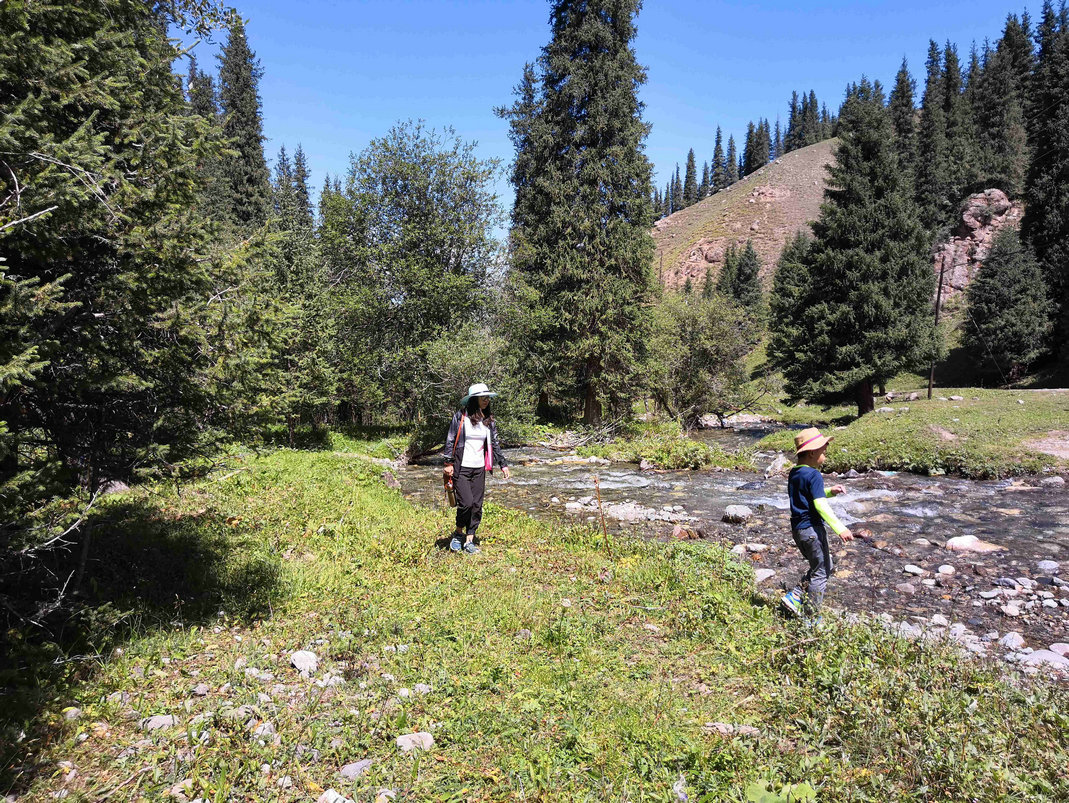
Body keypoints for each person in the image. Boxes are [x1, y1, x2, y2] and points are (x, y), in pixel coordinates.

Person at [780, 427, 853, 620]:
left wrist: (830, 491)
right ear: (813, 452)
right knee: (822, 571)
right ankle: (811, 618)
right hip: (812, 530)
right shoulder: (814, 475)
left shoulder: (795, 473)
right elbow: (820, 505)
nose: (825, 457)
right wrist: (840, 528)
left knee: (819, 565)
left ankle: (795, 595)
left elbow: (808, 495)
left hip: (798, 530)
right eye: (824, 453)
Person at [442, 383, 510, 554]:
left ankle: (469, 540)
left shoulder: (488, 420)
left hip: (479, 468)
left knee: (477, 505)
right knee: (466, 503)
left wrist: (503, 464)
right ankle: (458, 534)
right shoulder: (461, 416)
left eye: (488, 398)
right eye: (483, 397)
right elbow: (450, 440)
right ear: (474, 399)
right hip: (461, 467)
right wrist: (448, 463)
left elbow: (494, 443)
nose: (486, 400)